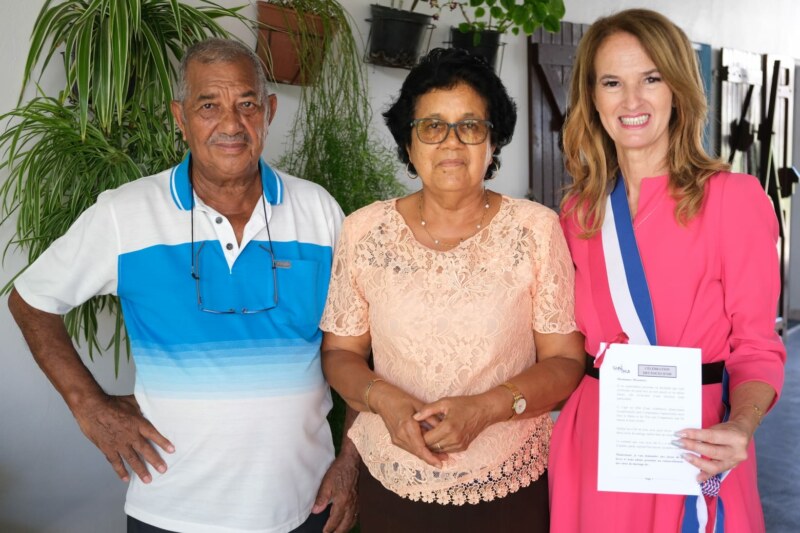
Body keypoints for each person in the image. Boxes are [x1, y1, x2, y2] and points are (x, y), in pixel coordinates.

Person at [8, 38, 358, 533]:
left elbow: (360, 343)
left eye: (247, 104)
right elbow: (31, 299)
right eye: (208, 105)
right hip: (172, 512)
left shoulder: (319, 211)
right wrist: (89, 406)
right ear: (180, 115)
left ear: (269, 111)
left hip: (303, 508)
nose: (231, 124)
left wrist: (351, 464)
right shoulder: (124, 214)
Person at [318, 47, 585, 532]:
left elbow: (567, 362)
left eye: (471, 126)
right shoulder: (364, 231)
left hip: (510, 486)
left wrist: (486, 409)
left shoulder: (535, 230)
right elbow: (339, 352)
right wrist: (386, 402)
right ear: (409, 140)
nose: (451, 143)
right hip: (391, 483)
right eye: (432, 126)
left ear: (494, 141)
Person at [548, 9, 786, 533]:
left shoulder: (733, 199)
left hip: (693, 440)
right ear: (593, 98)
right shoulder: (578, 214)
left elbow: (756, 348)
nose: (631, 101)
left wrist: (741, 425)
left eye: (650, 79)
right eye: (613, 82)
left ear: (677, 88)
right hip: (597, 441)